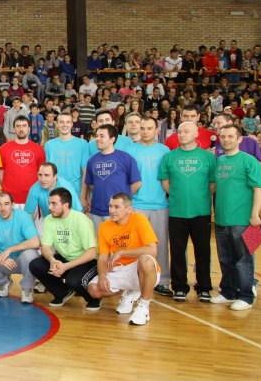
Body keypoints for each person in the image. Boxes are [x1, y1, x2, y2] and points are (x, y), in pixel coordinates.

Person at [158, 122, 217, 302]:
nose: (182, 134)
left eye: (186, 131)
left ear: (196, 133)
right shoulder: (169, 157)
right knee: (177, 251)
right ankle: (180, 287)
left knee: (203, 251)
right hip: (177, 212)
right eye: (179, 131)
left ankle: (204, 288)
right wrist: (176, 196)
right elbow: (165, 181)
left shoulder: (208, 157)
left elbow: (213, 183)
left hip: (201, 212)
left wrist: (201, 196)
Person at [211, 124, 261, 311]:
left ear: (239, 139)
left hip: (242, 220)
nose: (226, 140)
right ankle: (228, 292)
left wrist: (255, 214)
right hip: (221, 219)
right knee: (225, 259)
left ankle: (246, 296)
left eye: (230, 136)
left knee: (243, 260)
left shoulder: (250, 161)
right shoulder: (219, 161)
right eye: (223, 137)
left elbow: (258, 189)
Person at [87, 193, 161, 326]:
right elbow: (103, 257)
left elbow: (152, 250)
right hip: (120, 269)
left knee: (146, 260)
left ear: (128, 209)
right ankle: (130, 290)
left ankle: (144, 307)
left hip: (140, 267)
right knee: (94, 290)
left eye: (117, 207)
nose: (112, 210)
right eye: (110, 206)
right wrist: (102, 276)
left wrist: (122, 252)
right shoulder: (104, 227)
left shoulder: (139, 219)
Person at [125, 116, 172, 297]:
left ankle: (163, 281)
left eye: (149, 128)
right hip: (137, 204)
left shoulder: (164, 150)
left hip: (160, 204)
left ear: (156, 130)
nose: (145, 132)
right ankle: (135, 280)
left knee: (160, 244)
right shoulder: (130, 150)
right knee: (136, 245)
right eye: (142, 128)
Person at [30, 188, 99, 309]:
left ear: (66, 205)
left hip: (87, 261)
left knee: (73, 281)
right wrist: (52, 260)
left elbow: (92, 252)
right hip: (65, 258)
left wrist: (66, 266)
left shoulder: (81, 220)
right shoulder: (49, 219)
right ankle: (62, 292)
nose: (49, 207)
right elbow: (45, 247)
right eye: (49, 203)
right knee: (36, 265)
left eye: (54, 204)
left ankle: (94, 298)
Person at [0, 193, 40, 304]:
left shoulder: (23, 217)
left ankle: (27, 288)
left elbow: (35, 242)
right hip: (3, 260)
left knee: (31, 255)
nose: (3, 208)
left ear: (13, 205)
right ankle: (4, 282)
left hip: (21, 259)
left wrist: (10, 250)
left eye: (6, 204)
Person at [83, 124, 141, 234]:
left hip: (120, 213)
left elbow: (137, 183)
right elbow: (90, 184)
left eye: (101, 136)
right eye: (96, 136)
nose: (97, 139)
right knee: (99, 243)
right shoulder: (92, 161)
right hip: (97, 212)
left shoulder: (126, 158)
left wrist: (123, 199)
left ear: (112, 139)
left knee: (121, 243)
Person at [0, 116, 46, 209]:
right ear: (14, 129)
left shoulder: (39, 150)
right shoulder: (3, 149)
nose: (21, 129)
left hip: (32, 198)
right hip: (10, 199)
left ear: (29, 128)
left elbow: (41, 174)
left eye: (24, 126)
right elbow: (1, 174)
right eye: (18, 126)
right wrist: (6, 189)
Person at [44, 111, 89, 197]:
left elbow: (85, 172)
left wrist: (83, 196)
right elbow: (47, 172)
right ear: (57, 124)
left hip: (76, 192)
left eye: (68, 122)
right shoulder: (49, 145)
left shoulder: (83, 144)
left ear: (72, 124)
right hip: (55, 192)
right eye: (61, 122)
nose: (65, 125)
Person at [24, 162, 82, 227]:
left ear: (55, 177)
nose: (42, 179)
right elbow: (28, 215)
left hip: (66, 220)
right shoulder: (34, 189)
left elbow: (78, 213)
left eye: (46, 175)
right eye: (40, 175)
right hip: (46, 218)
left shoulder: (66, 188)